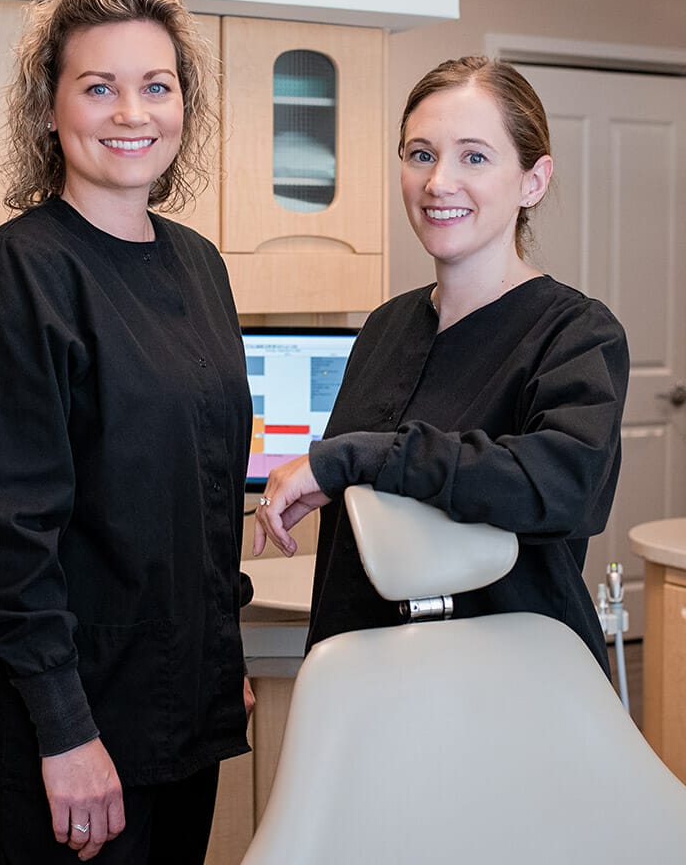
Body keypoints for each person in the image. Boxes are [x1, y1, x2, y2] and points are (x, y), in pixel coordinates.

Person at [0, 0, 254, 864]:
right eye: (99, 86)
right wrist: (66, 735)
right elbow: (8, 541)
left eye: (156, 86)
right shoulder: (19, 276)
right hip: (72, 734)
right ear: (49, 106)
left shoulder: (199, 267)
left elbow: (200, 488)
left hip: (182, 713)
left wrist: (217, 662)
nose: (132, 113)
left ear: (183, 104)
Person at [254, 56, 629, 673]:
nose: (438, 183)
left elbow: (563, 488)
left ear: (533, 181)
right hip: (368, 678)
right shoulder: (385, 328)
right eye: (420, 154)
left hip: (506, 687)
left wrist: (357, 455)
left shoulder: (575, 332)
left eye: (474, 157)